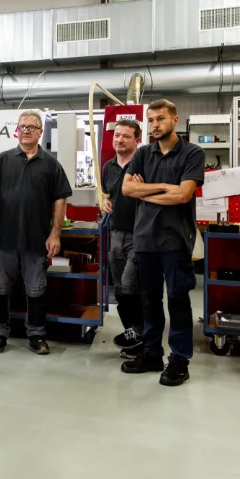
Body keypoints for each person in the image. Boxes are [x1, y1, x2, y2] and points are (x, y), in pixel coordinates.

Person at [120, 99, 205, 386]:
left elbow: (183, 195)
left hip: (176, 240)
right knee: (149, 302)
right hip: (145, 239)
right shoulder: (144, 153)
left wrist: (145, 193)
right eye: (151, 120)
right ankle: (151, 353)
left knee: (178, 301)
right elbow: (127, 187)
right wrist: (161, 187)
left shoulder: (193, 153)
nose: (155, 124)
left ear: (175, 120)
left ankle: (179, 361)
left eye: (161, 119)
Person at [0, 110, 73, 355]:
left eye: (31, 127)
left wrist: (55, 233)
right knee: (0, 288)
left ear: (41, 131)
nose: (26, 130)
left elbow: (60, 200)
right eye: (22, 126)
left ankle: (36, 335)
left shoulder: (51, 164)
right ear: (16, 130)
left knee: (36, 289)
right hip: (4, 239)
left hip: (36, 240)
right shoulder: (3, 160)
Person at [101, 119, 143, 359]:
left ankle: (140, 333)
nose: (119, 140)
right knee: (119, 289)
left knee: (130, 285)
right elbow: (107, 194)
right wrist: (104, 201)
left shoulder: (143, 164)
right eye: (117, 135)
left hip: (139, 235)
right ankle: (132, 333)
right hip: (116, 233)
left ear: (137, 140)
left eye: (126, 136)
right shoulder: (108, 167)